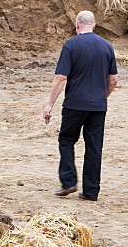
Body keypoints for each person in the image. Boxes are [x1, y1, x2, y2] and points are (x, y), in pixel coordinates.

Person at [43, 11, 118, 201]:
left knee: (67, 140)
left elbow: (61, 78)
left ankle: (68, 181)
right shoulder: (106, 46)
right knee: (94, 147)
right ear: (94, 25)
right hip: (98, 106)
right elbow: (113, 80)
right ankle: (91, 191)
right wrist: (103, 97)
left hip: (74, 104)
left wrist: (50, 104)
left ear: (77, 25)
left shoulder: (71, 45)